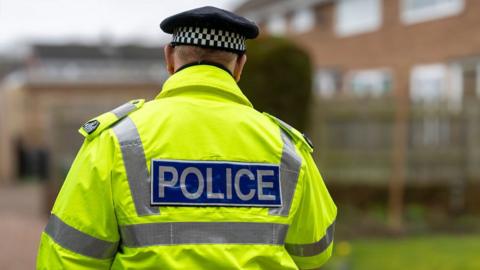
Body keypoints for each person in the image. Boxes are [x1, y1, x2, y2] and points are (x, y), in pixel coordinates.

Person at [36, 6, 336, 270]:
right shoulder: (286, 147)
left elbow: (67, 257)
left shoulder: (117, 140)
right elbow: (314, 251)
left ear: (169, 57)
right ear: (241, 65)